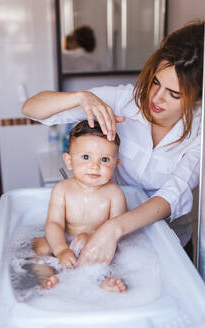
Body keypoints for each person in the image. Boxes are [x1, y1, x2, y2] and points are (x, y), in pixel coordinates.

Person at [22, 20, 204, 265]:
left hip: (167, 239)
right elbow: (32, 109)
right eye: (156, 82)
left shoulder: (199, 131)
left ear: (199, 98)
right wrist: (81, 97)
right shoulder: (124, 101)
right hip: (106, 229)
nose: (157, 98)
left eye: (174, 94)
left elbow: (173, 194)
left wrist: (113, 229)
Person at [32, 120, 127, 292]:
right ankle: (46, 276)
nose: (95, 166)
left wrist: (91, 238)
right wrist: (61, 250)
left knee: (114, 254)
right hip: (63, 242)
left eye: (104, 159)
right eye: (85, 157)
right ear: (68, 161)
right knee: (40, 245)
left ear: (115, 164)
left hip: (95, 246)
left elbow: (118, 233)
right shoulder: (62, 190)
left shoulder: (115, 194)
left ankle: (100, 280)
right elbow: (54, 224)